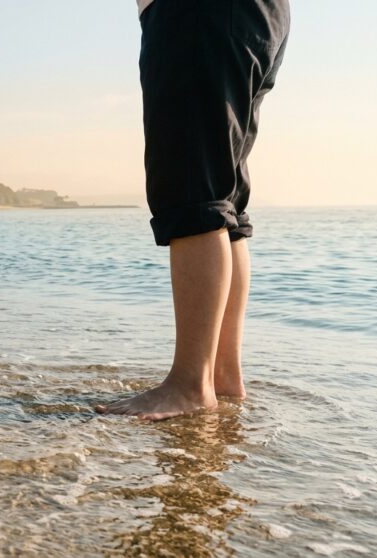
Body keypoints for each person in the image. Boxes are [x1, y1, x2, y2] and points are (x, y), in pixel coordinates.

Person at [96, 0, 290, 420]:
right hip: (252, 16)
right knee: (223, 200)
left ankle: (190, 385)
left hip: (198, 12)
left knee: (191, 189)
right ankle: (220, 377)